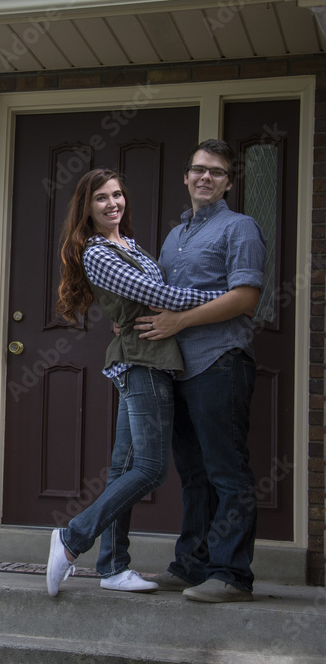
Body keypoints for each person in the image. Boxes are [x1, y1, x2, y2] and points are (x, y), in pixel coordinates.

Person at [47, 168, 231, 597]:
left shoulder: (128, 244)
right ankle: (73, 537)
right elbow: (162, 297)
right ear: (86, 207)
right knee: (149, 469)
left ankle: (112, 566)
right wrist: (226, 299)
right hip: (141, 361)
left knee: (123, 469)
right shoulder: (96, 252)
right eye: (101, 198)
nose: (113, 203)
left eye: (117, 195)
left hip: (153, 356)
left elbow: (154, 291)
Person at [132, 140, 265, 603]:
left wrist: (180, 320)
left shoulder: (239, 227)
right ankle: (191, 566)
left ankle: (231, 575)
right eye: (198, 170)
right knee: (193, 475)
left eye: (216, 172)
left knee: (227, 472)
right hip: (177, 368)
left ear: (228, 182)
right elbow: (164, 297)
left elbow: (246, 298)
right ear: (186, 177)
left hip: (220, 361)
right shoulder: (175, 236)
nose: (205, 177)